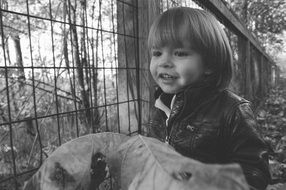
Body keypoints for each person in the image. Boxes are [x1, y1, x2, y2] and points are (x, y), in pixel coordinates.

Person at [147, 7, 271, 190]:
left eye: (180, 53)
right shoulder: (161, 106)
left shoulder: (233, 110)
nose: (164, 62)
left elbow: (254, 172)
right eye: (157, 53)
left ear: (210, 64)